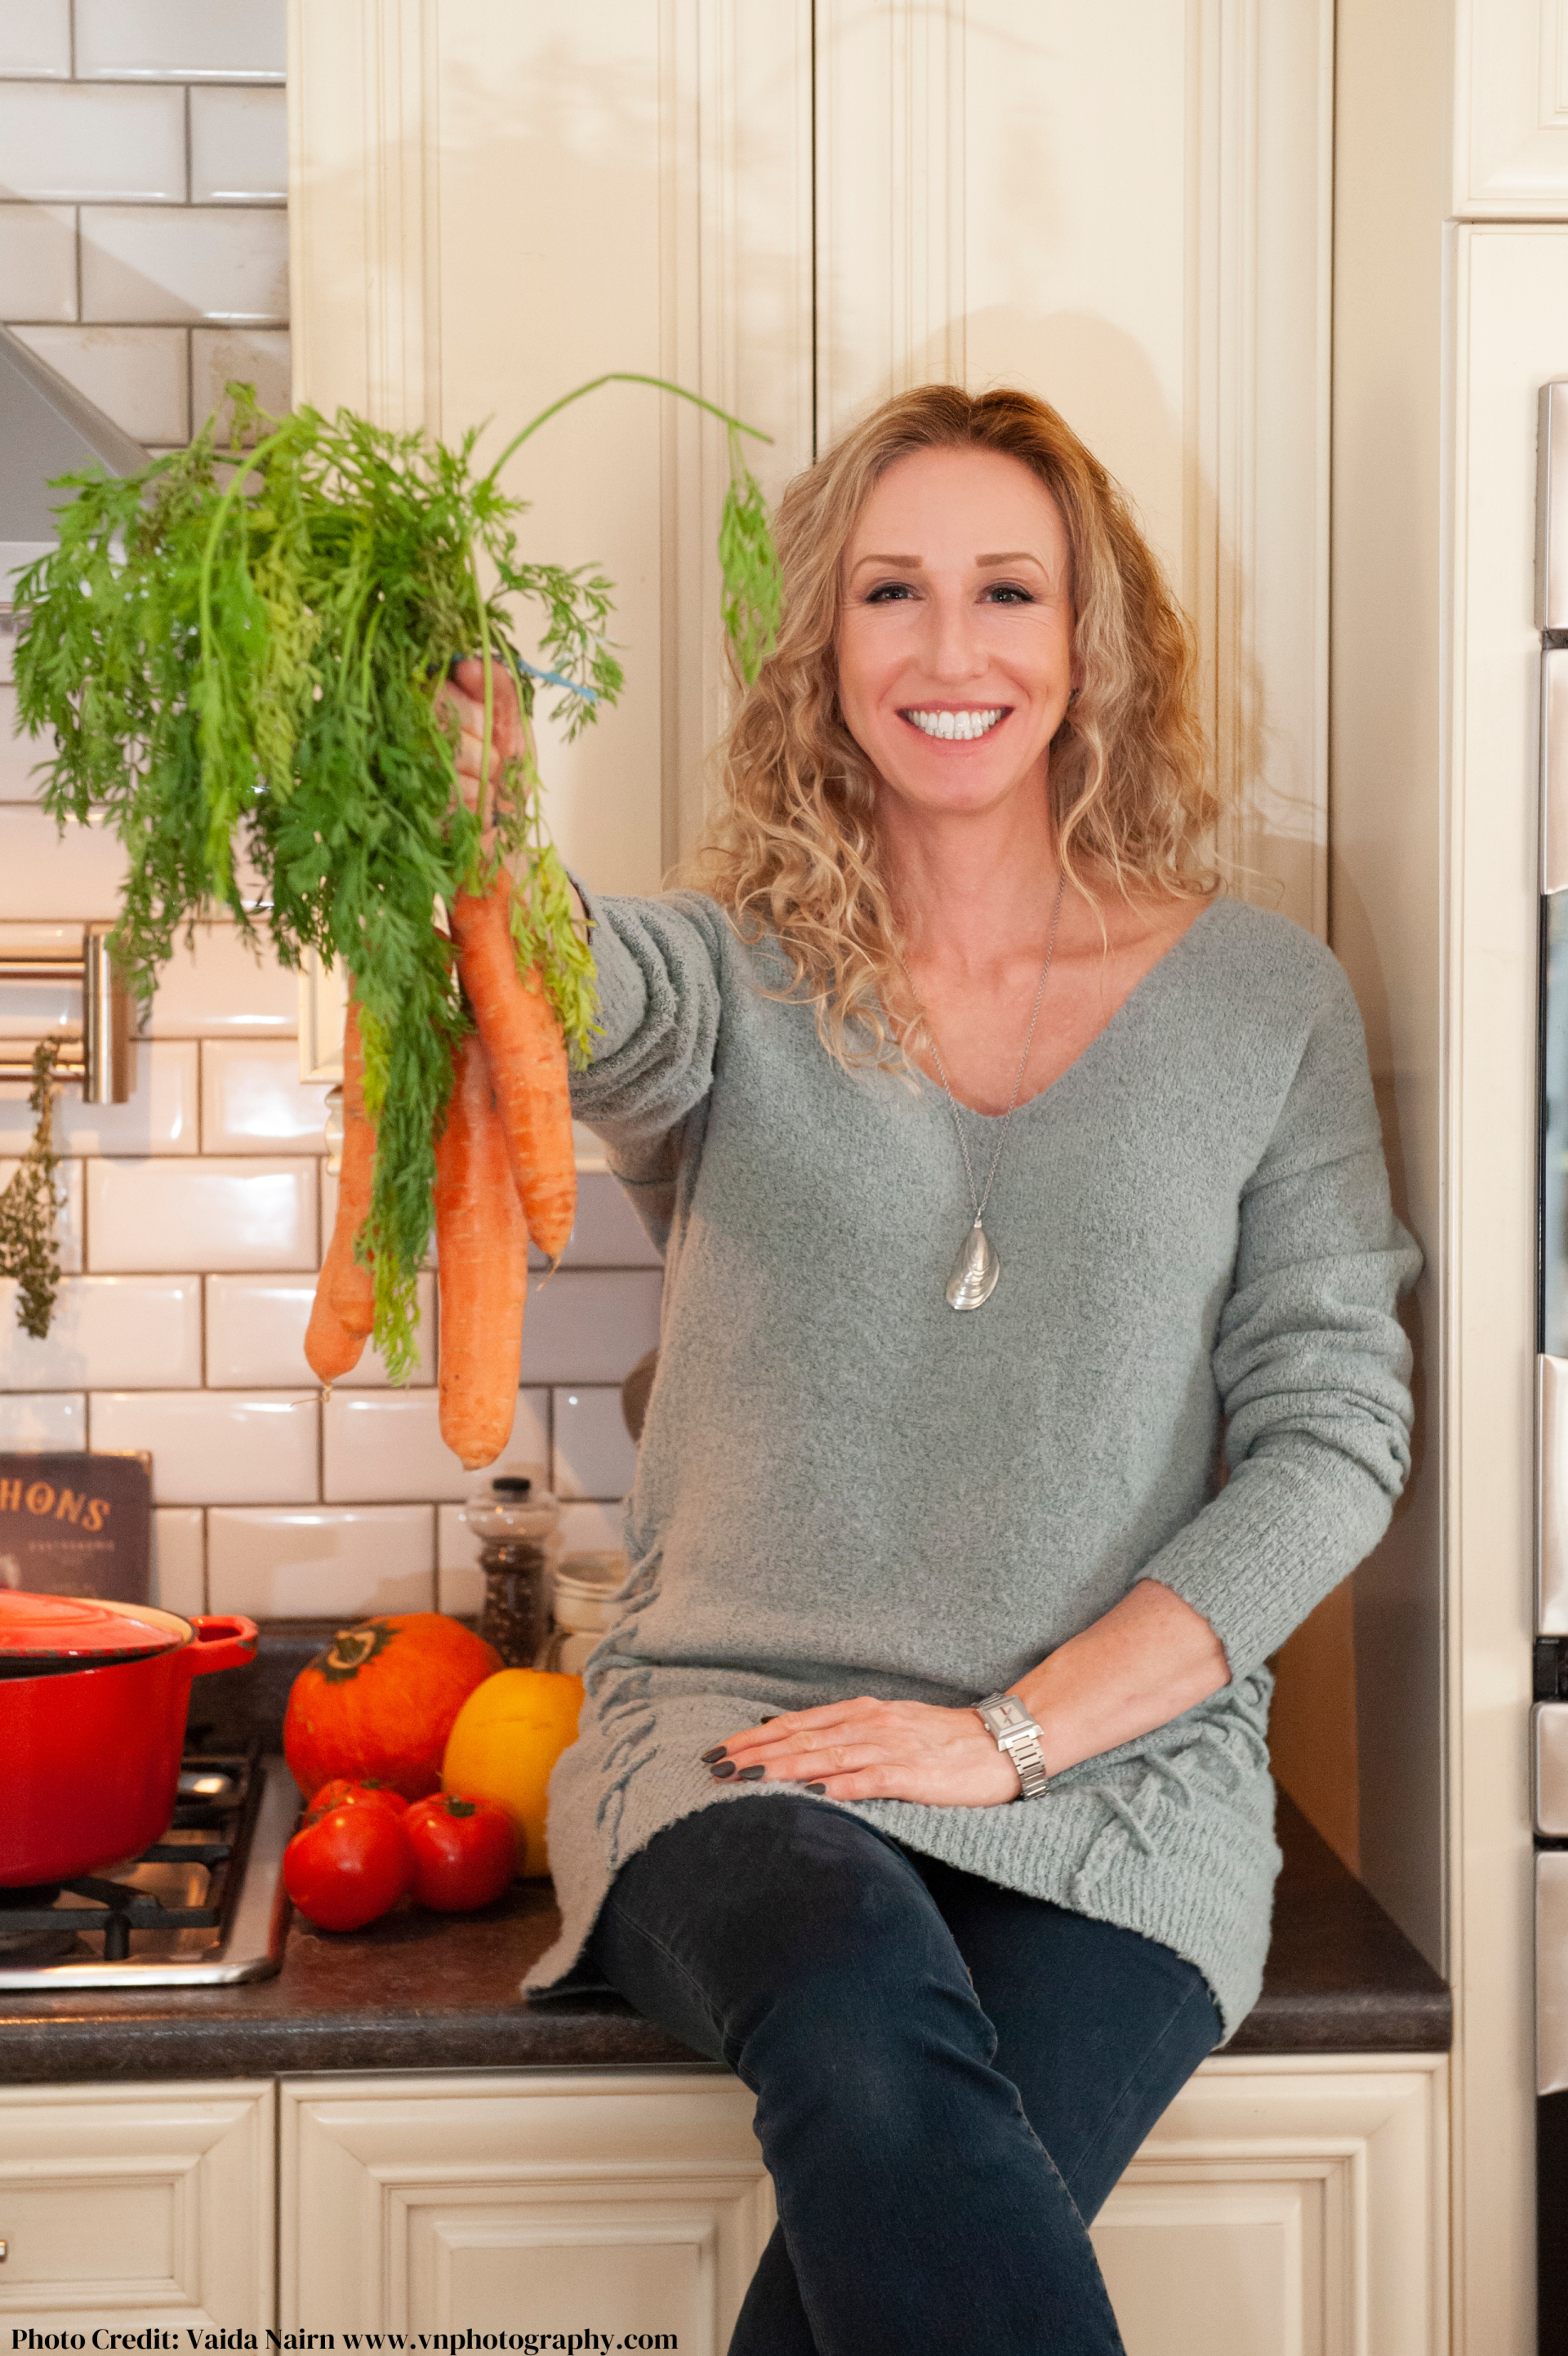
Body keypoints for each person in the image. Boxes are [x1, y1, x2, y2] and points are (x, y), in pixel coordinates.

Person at [445, 384, 1418, 2356]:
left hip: (1122, 1782)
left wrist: (1020, 1737)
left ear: (1089, 646)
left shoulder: (1267, 1001)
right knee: (862, 2019)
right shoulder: (727, 973)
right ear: (823, 645)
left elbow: (1335, 1437)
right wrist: (478, 830)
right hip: (737, 1744)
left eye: (1007, 591)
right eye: (892, 591)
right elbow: (571, 995)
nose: (951, 649)